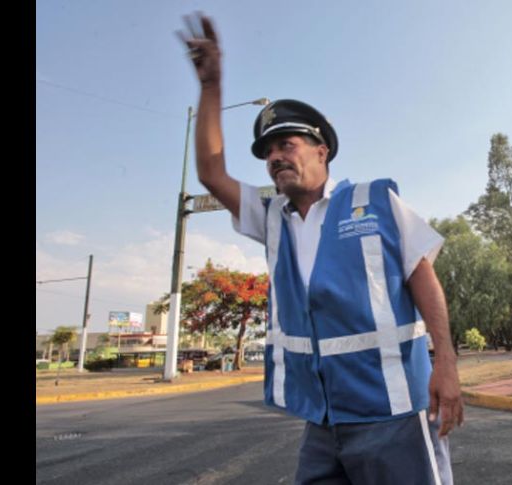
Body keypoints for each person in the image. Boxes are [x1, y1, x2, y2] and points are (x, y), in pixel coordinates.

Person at [178, 13, 463, 485]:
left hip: (393, 411)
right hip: (324, 422)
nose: (274, 158)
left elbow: (423, 277)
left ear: (321, 152)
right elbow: (211, 173)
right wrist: (212, 87)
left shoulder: (374, 203)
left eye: (285, 144)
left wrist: (446, 365)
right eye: (268, 153)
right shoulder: (271, 217)